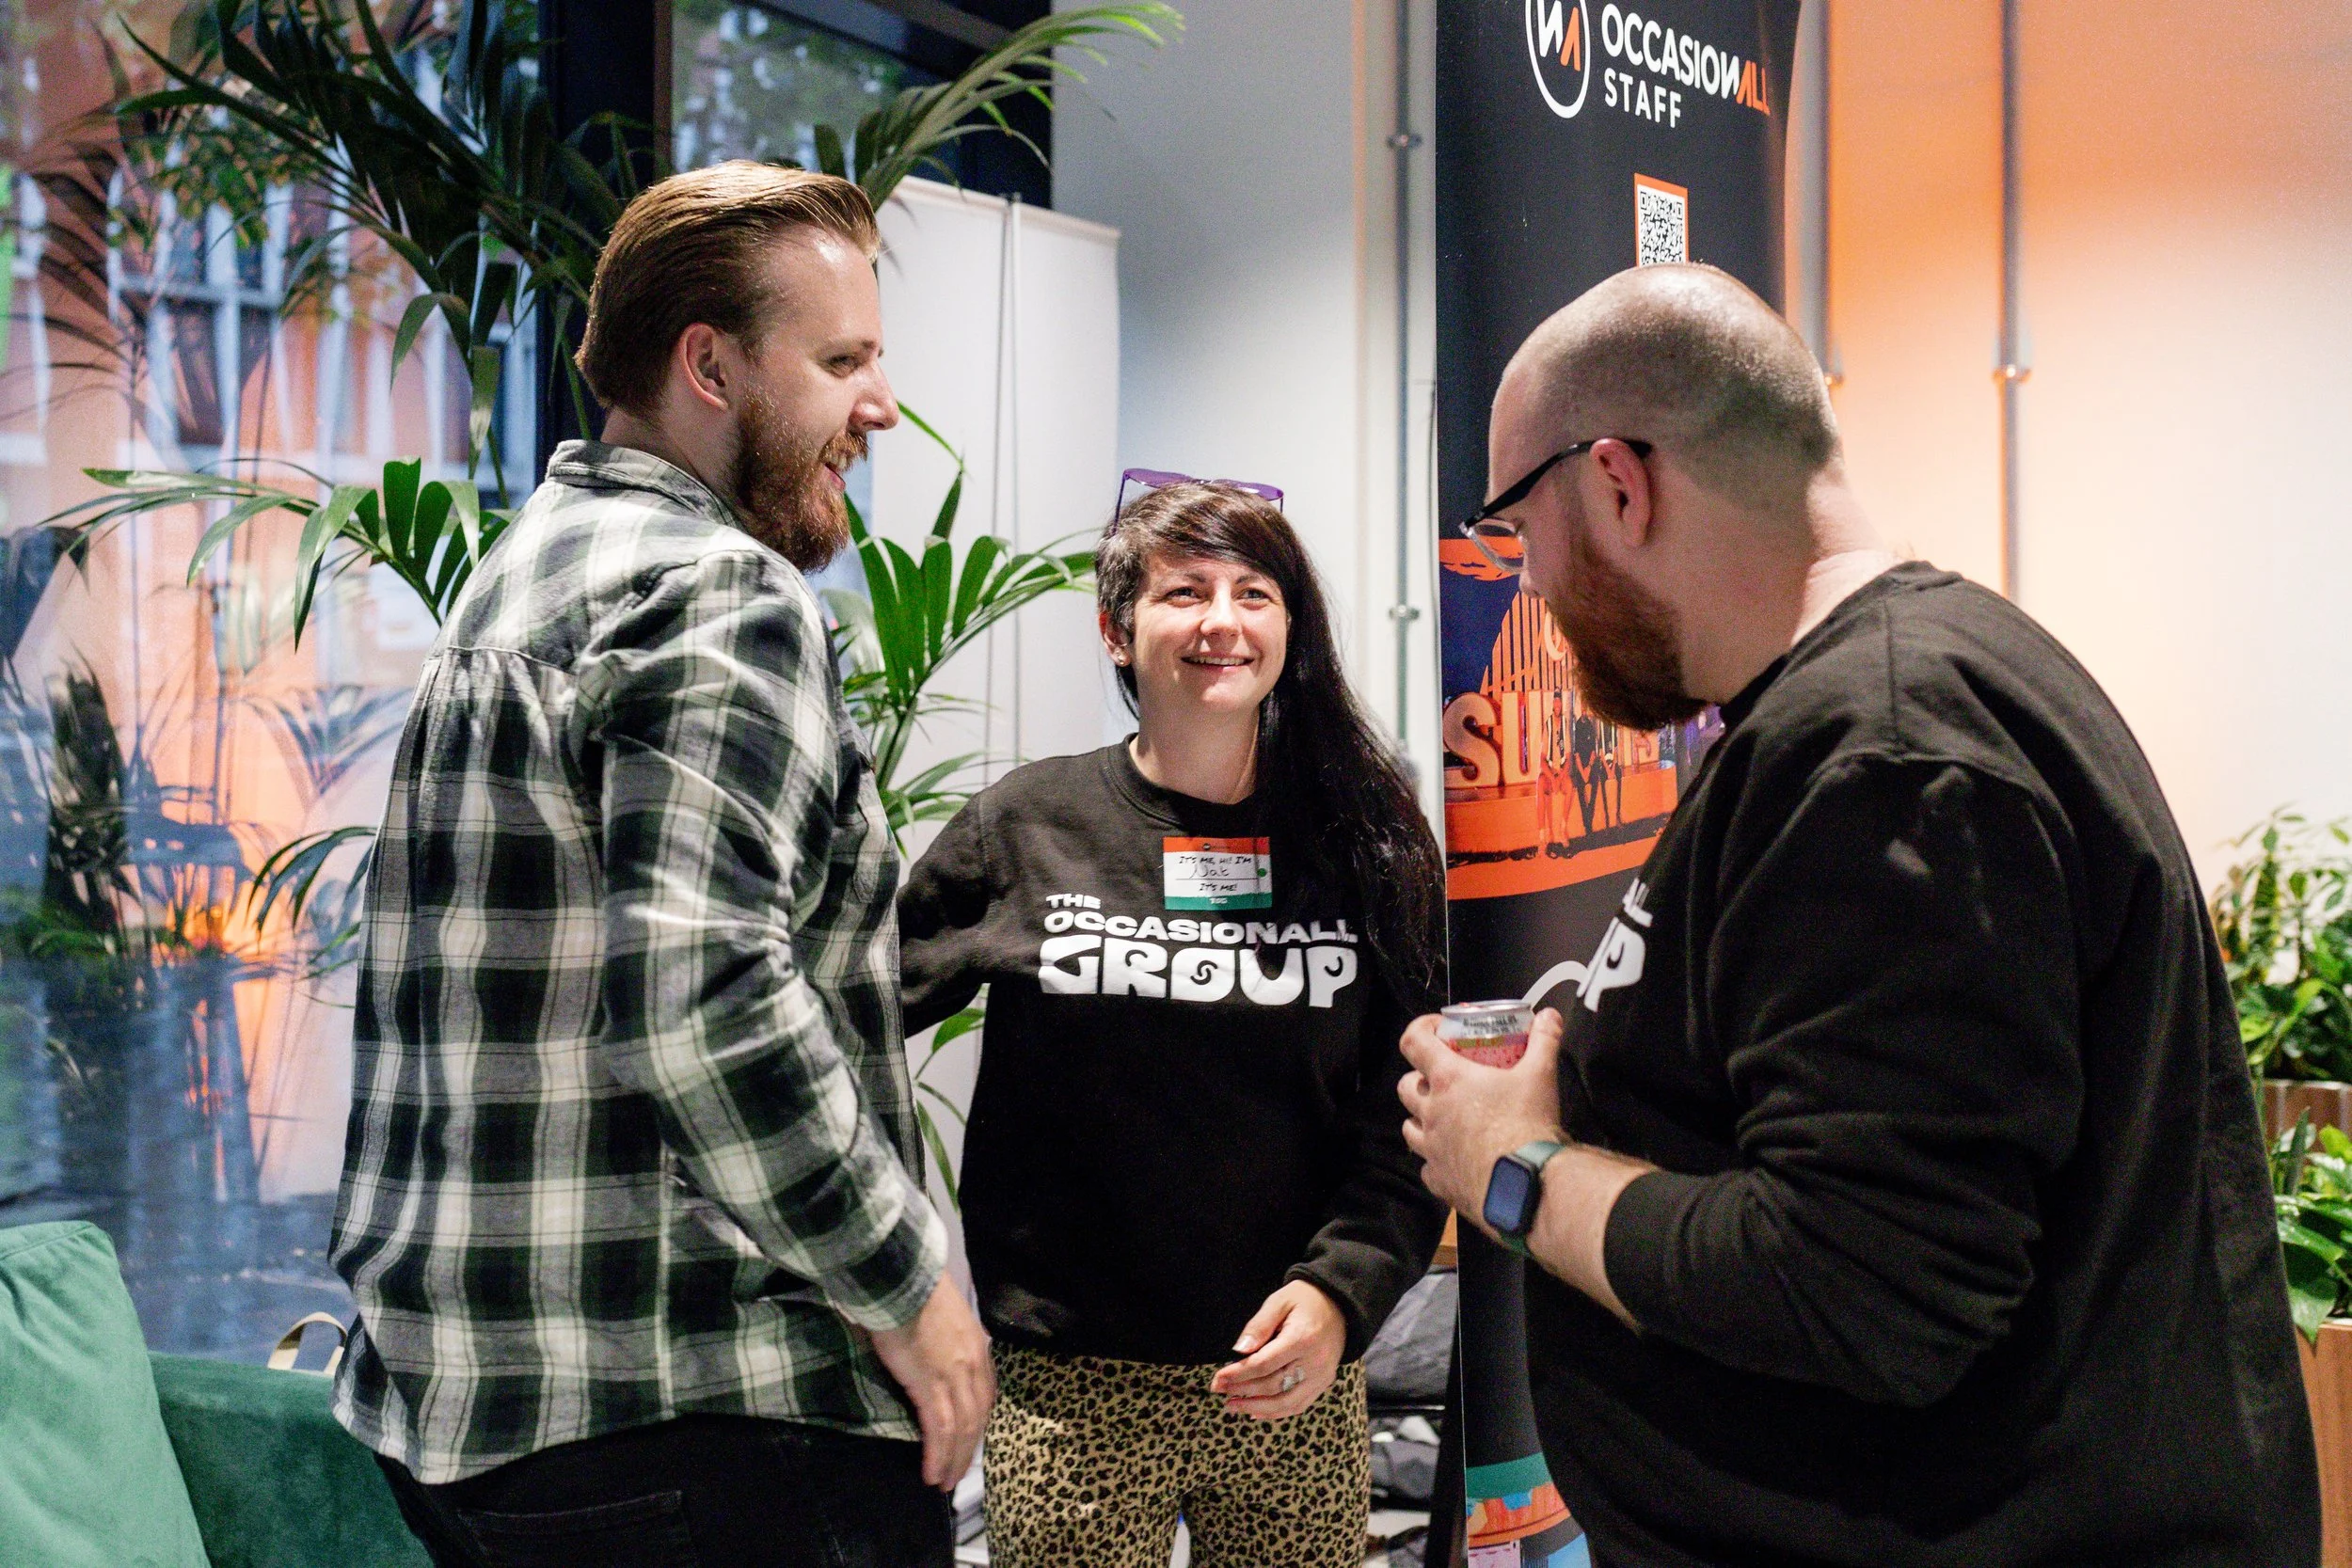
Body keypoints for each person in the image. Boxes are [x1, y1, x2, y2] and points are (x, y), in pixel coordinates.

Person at [1398, 262, 2319, 1566]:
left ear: (1618, 481)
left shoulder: (1885, 751)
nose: (1530, 580)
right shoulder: (1856, 715)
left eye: (1520, 523)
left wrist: (1519, 1168)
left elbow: (1861, 1282)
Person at [329, 163, 992, 1568]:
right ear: (709, 365)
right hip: (704, 1417)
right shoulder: (718, 589)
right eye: (844, 360)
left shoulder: (520, 571)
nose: (880, 405)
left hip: (481, 1421)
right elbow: (707, 992)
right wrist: (908, 1281)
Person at [898, 481, 1448, 1567]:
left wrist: (1343, 1294)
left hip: (1292, 1375)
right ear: (1117, 628)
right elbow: (849, 1025)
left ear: (1290, 626)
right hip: (1070, 1381)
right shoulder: (1028, 825)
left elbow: (1413, 1113)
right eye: (1183, 591)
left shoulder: (1367, 839)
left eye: (1254, 591)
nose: (1221, 620)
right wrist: (901, 1272)